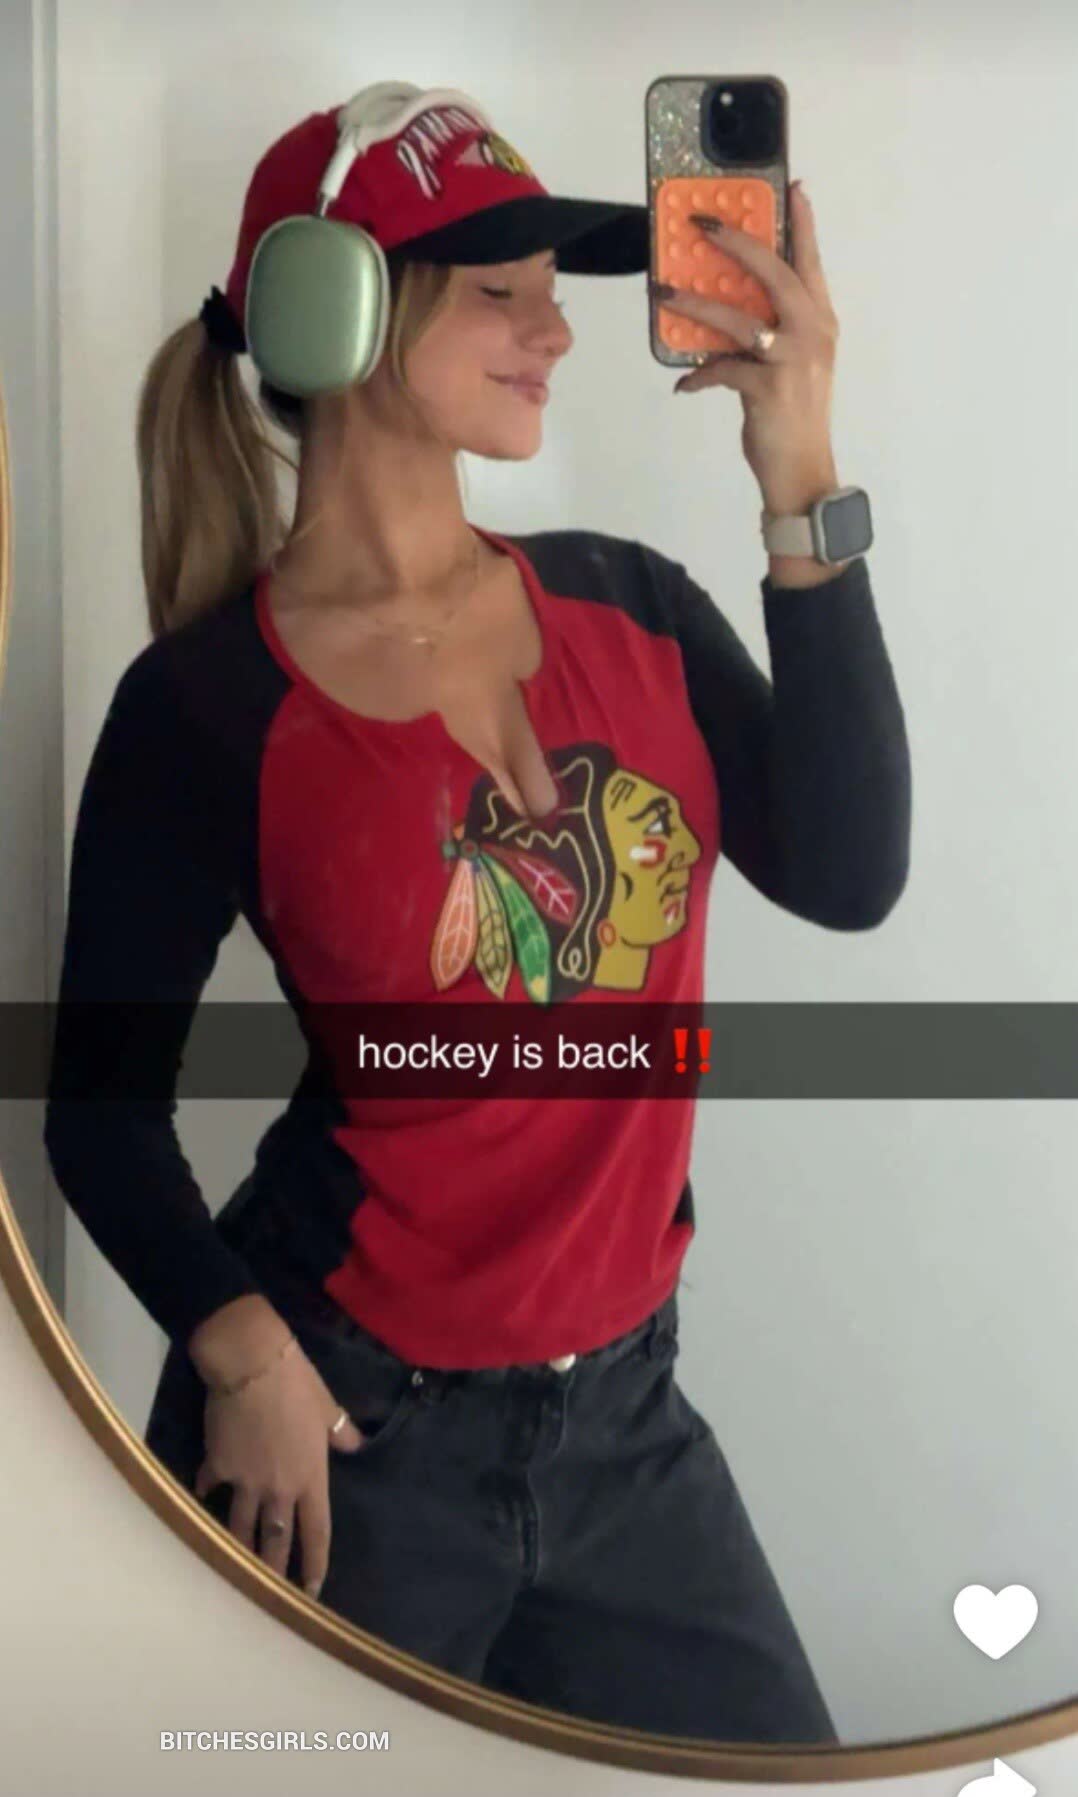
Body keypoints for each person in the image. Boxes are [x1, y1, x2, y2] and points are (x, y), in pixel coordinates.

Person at [43, 83, 910, 1743]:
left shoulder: (630, 606)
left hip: (626, 1433)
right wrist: (240, 1351)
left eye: (551, 288)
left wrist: (797, 470)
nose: (555, 331)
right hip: (345, 1444)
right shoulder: (208, 707)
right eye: (498, 289)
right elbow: (96, 1109)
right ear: (336, 309)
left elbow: (850, 871)